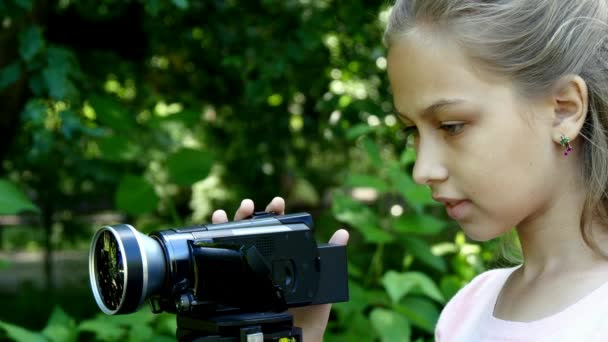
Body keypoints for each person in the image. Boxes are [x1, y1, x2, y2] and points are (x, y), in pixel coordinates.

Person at [212, 0, 608, 340]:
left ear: (564, 109)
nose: (422, 170)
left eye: (452, 125)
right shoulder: (468, 310)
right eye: (411, 131)